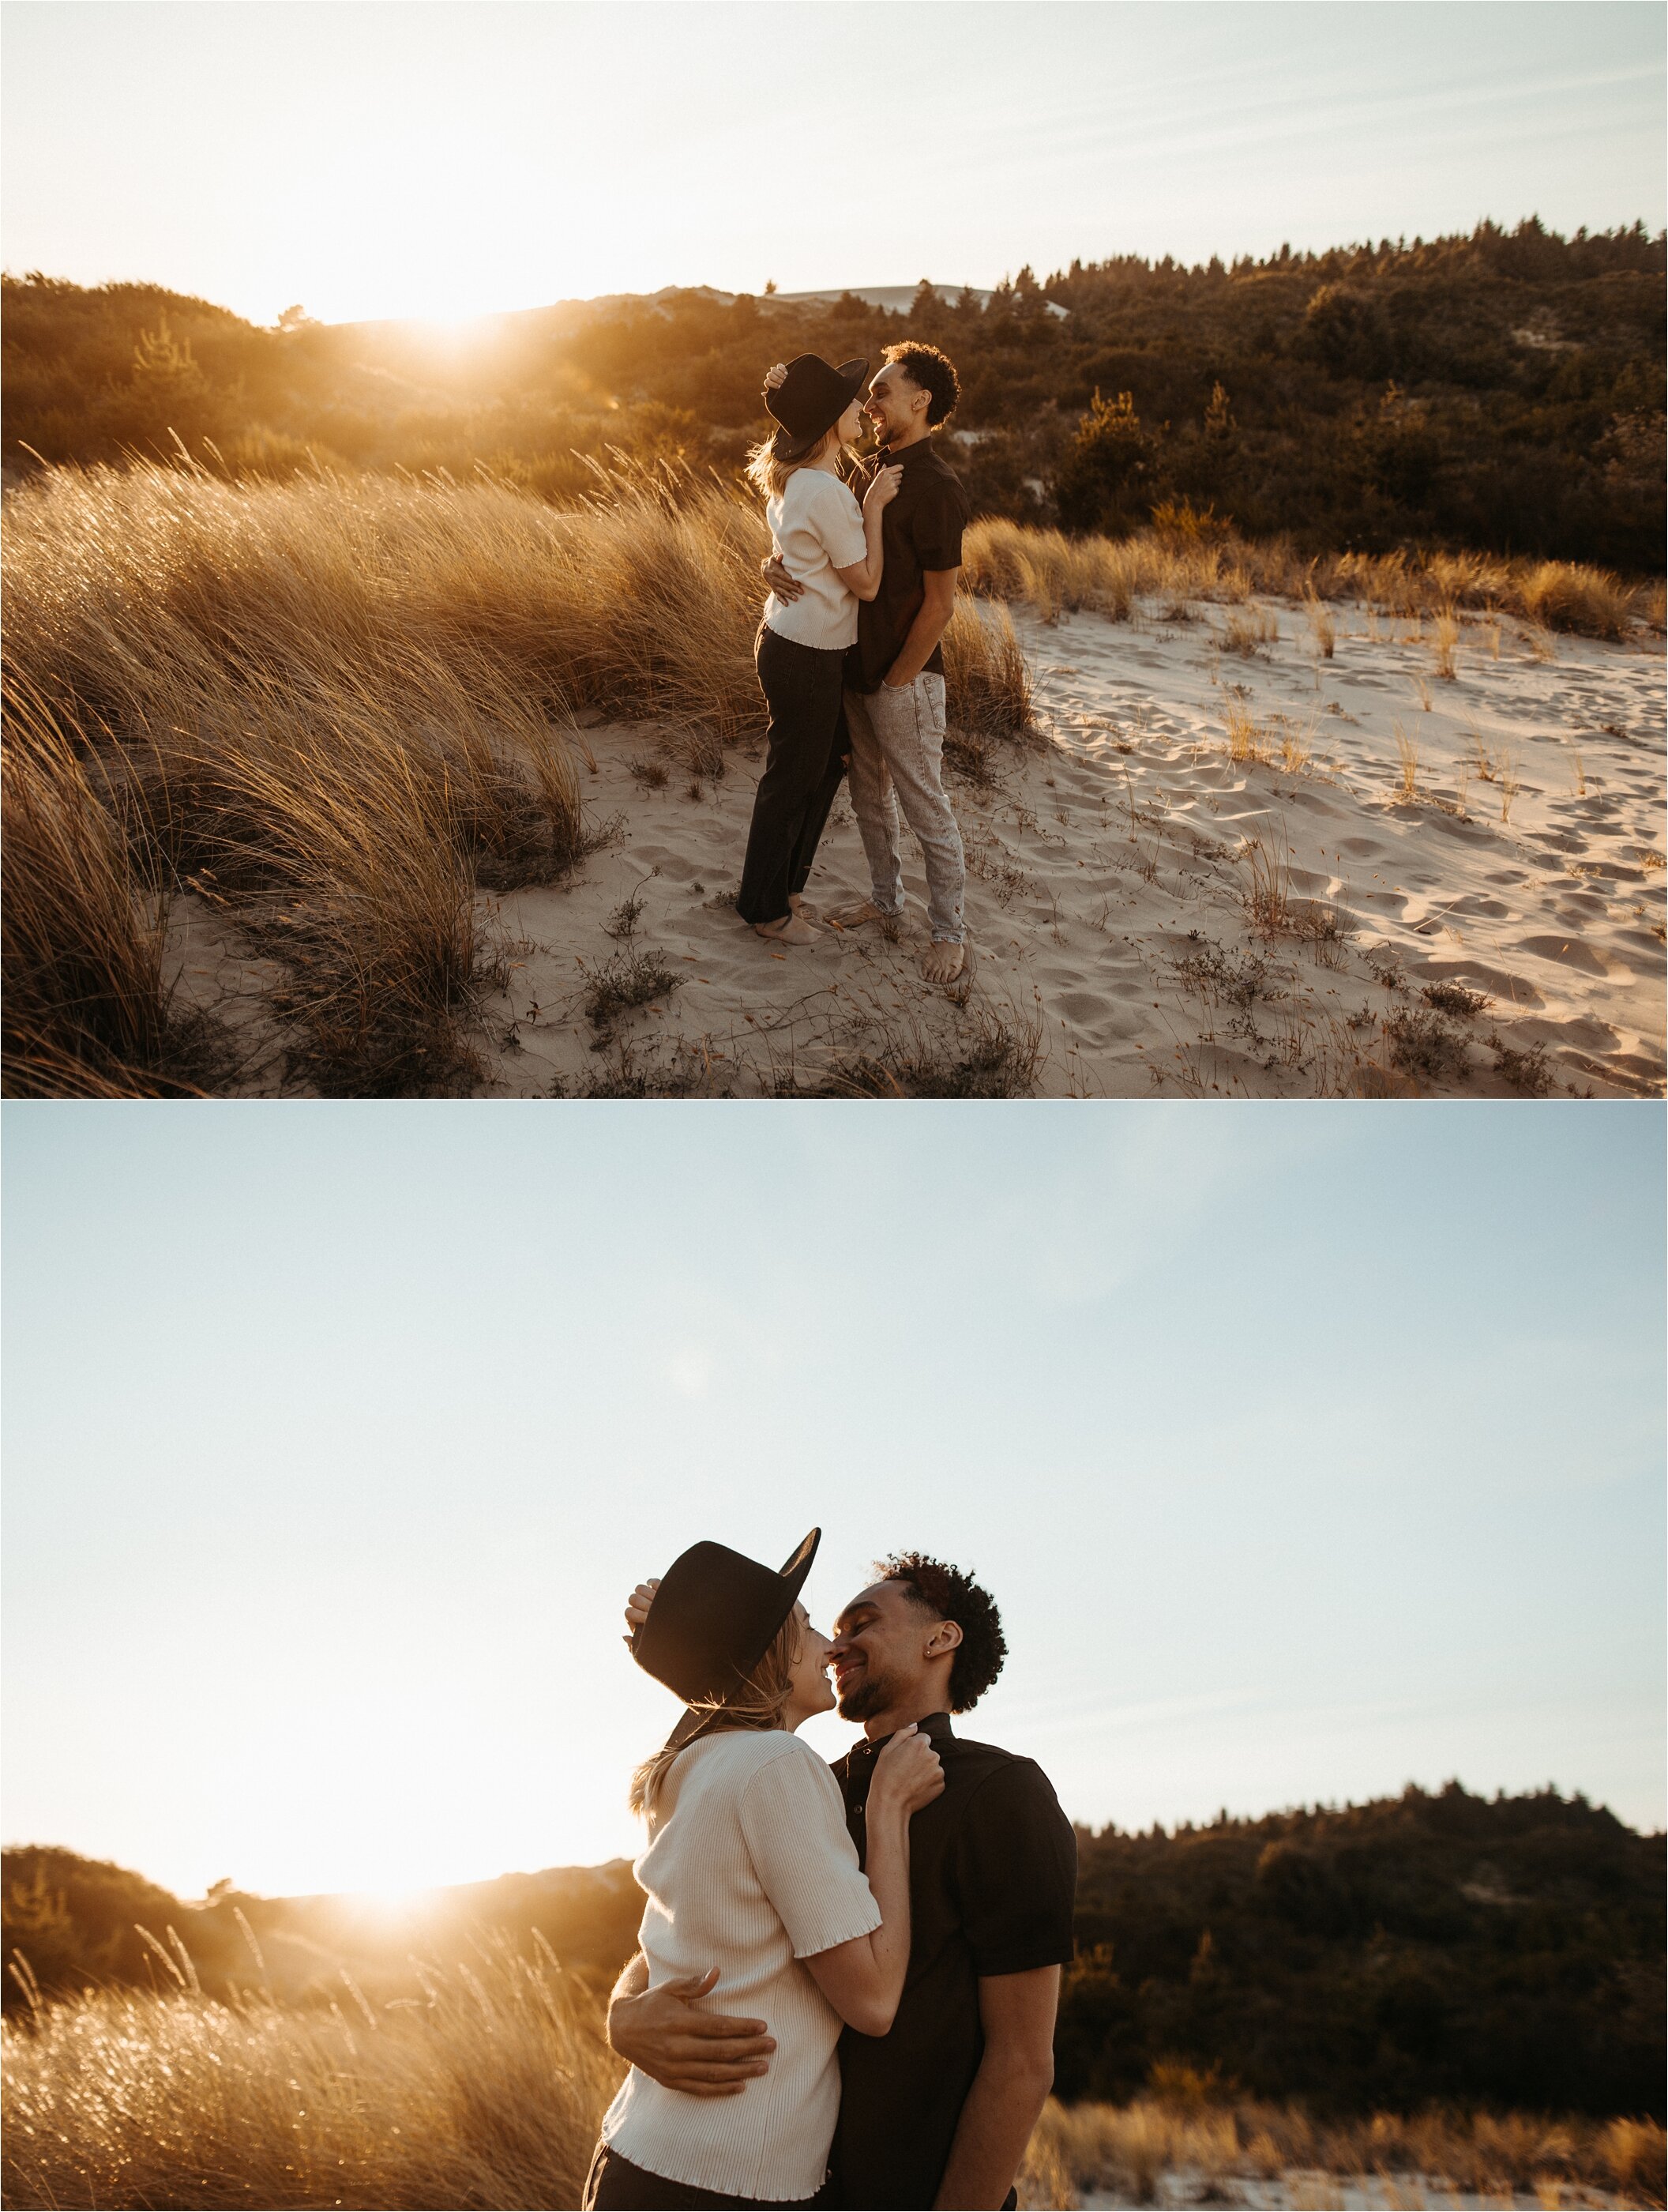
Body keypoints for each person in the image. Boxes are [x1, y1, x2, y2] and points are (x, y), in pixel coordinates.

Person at [611, 1552, 1076, 2212]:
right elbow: (683, 1924)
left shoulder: (1005, 1794)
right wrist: (625, 2015)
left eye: (862, 1622)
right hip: (783, 2187)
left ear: (941, 1638)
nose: (836, 1646)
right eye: (823, 1628)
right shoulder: (800, 1782)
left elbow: (1023, 2060)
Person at [583, 1528, 945, 2210]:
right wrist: (887, 1816)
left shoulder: (681, 1772)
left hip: (636, 2152)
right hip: (727, 2184)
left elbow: (672, 1945)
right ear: (770, 1652)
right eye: (806, 1628)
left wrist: (624, 2014)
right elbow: (871, 2002)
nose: (829, 1647)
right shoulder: (778, 1767)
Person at [763, 344, 972, 988]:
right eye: (869, 395)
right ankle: (887, 904)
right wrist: (774, 567)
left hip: (903, 679)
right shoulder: (866, 474)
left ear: (921, 401)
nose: (870, 404)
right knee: (869, 800)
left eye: (882, 392)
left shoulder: (937, 486)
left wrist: (897, 679)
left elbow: (941, 604)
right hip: (853, 671)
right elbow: (822, 542)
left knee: (923, 804)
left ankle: (949, 933)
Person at [738, 357, 903, 947]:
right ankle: (764, 910)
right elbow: (866, 585)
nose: (861, 408)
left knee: (823, 768)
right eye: (851, 401)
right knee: (792, 780)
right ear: (832, 420)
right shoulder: (828, 492)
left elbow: (795, 555)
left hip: (794, 640)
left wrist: (771, 566)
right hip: (805, 653)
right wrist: (876, 509)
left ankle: (787, 891)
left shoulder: (796, 482)